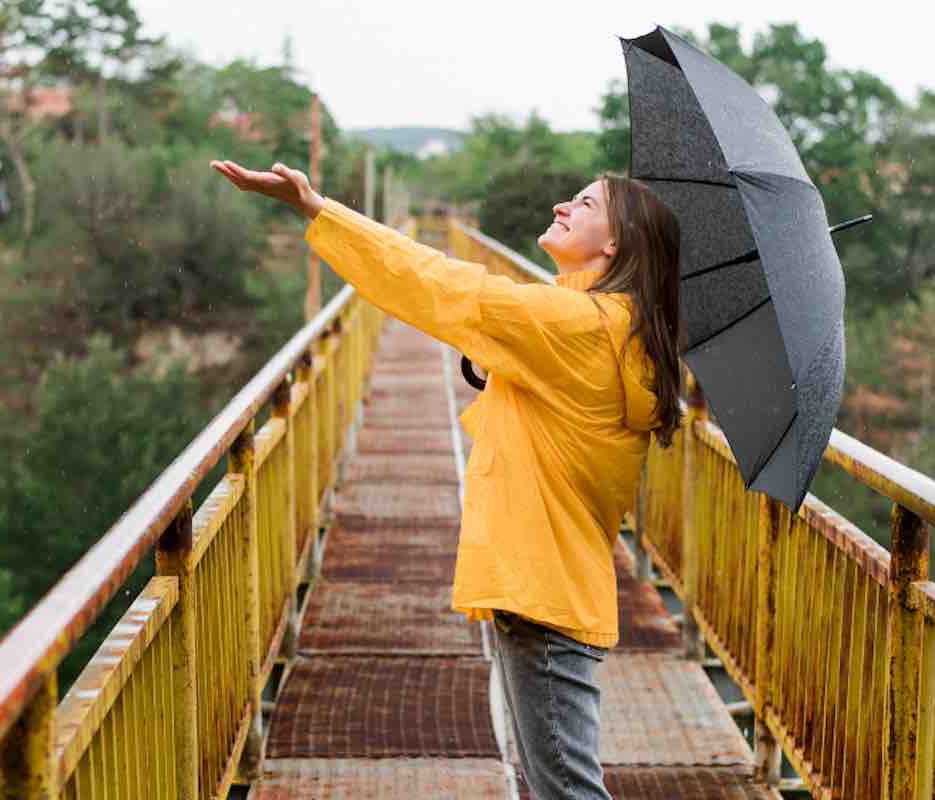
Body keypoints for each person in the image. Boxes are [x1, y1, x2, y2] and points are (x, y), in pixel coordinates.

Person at [210, 158, 682, 800]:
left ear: (615, 243)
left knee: (567, 790)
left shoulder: (578, 326)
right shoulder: (609, 328)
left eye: (584, 204)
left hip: (541, 587)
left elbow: (441, 283)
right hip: (552, 582)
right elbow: (534, 367)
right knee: (557, 783)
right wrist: (497, 358)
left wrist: (319, 209)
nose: (560, 208)